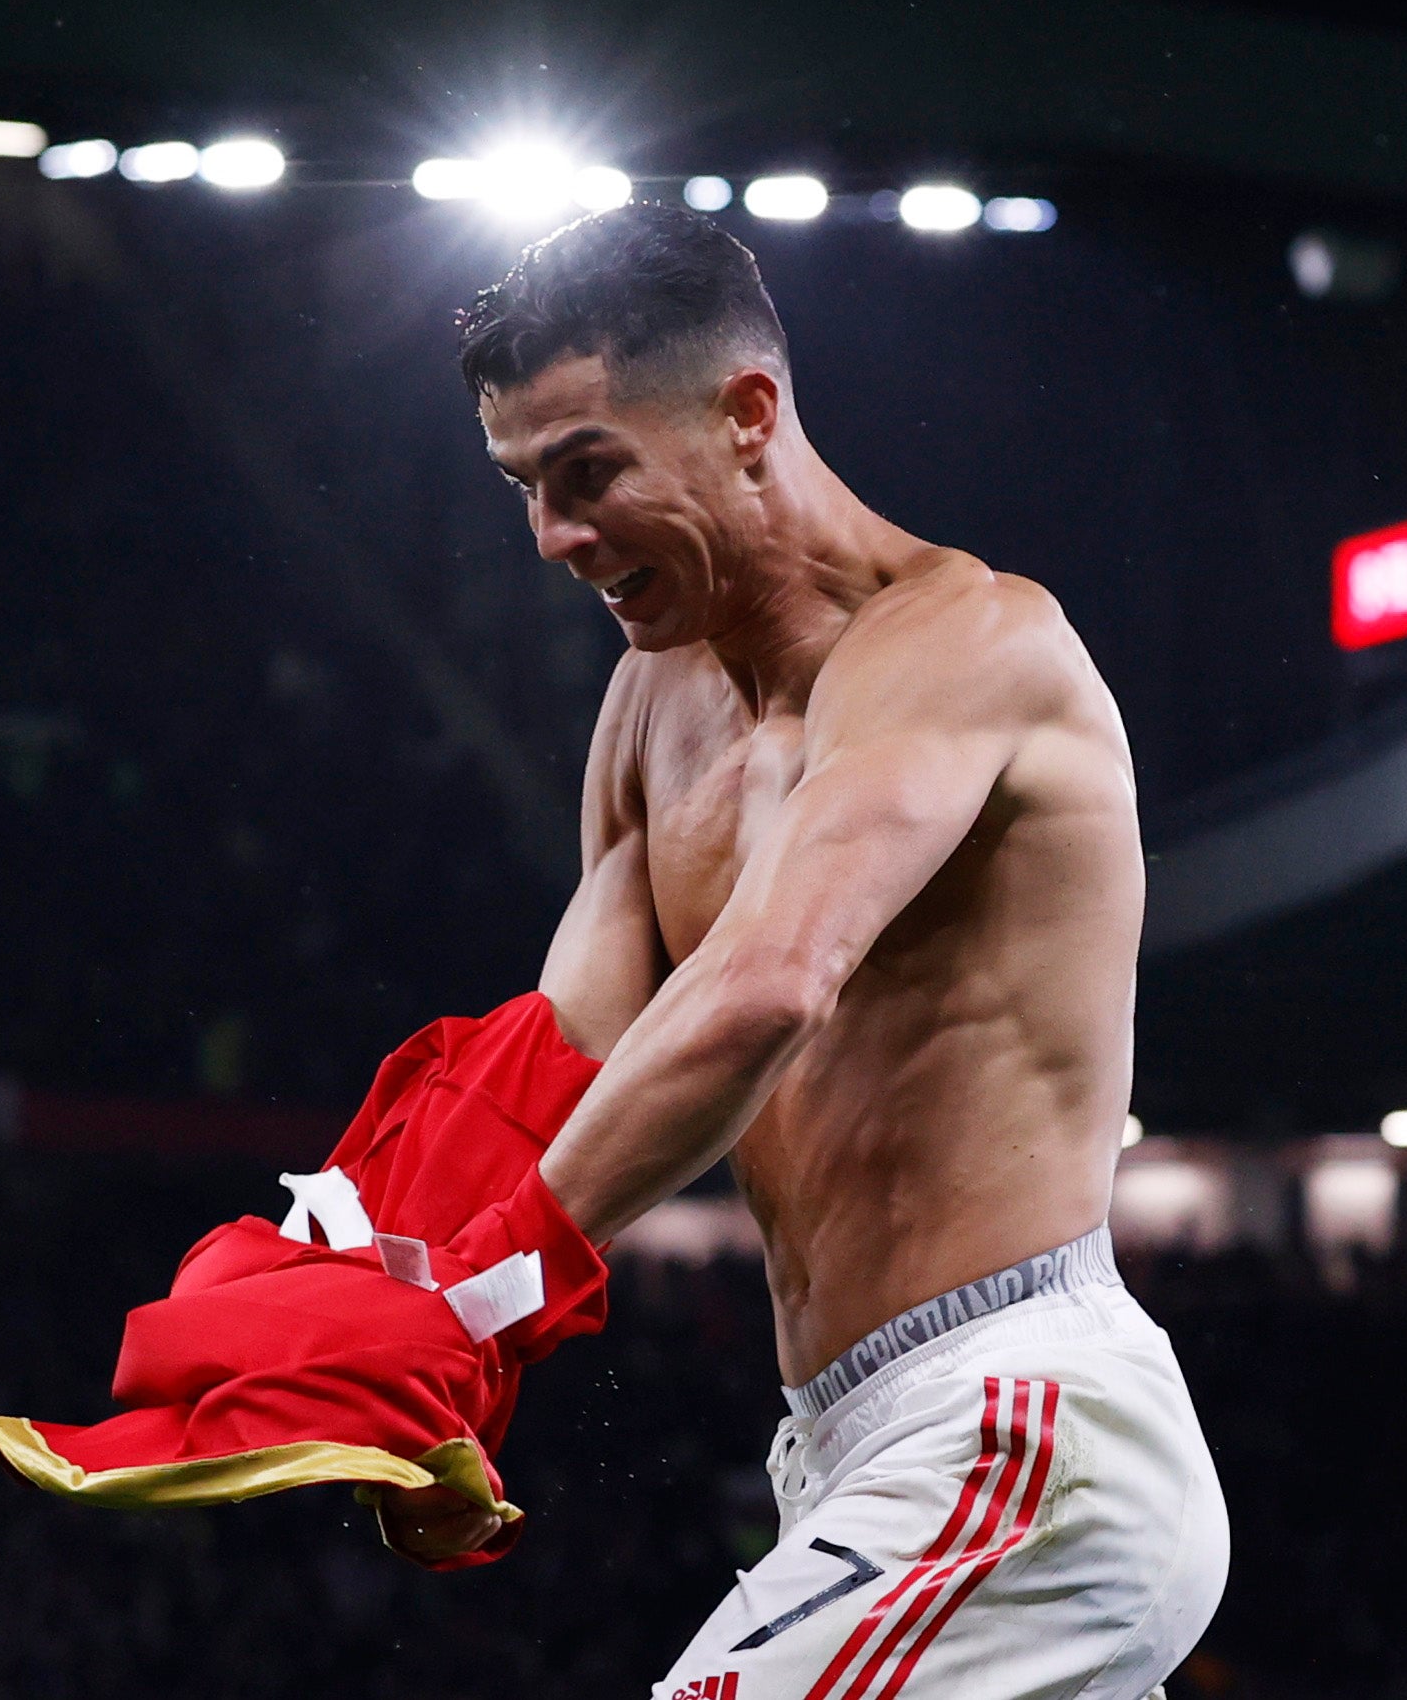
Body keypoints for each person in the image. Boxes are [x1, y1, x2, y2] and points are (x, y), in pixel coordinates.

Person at [378, 205, 1226, 1699]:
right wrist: (367, 1310)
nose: (554, 537)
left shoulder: (968, 644)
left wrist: (472, 1302)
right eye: (524, 487)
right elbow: (563, 1060)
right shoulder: (650, 709)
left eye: (588, 471)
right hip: (839, 1442)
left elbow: (769, 980)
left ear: (745, 413)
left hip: (1019, 1419)